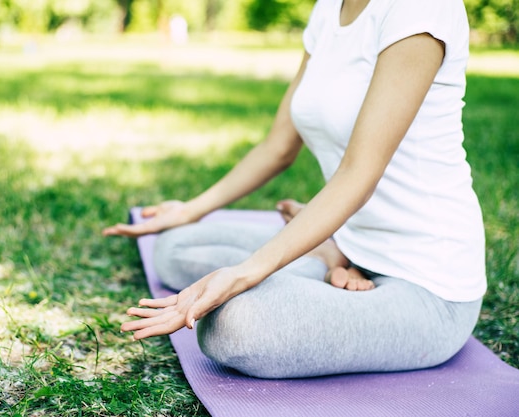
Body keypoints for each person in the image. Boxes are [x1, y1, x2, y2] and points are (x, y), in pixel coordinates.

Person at [103, 0, 486, 379]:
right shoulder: (328, 9)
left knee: (233, 323)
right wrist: (189, 210)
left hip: (427, 282)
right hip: (350, 239)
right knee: (174, 247)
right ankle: (330, 256)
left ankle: (323, 256)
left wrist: (244, 274)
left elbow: (359, 173)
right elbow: (278, 147)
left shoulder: (421, 8)